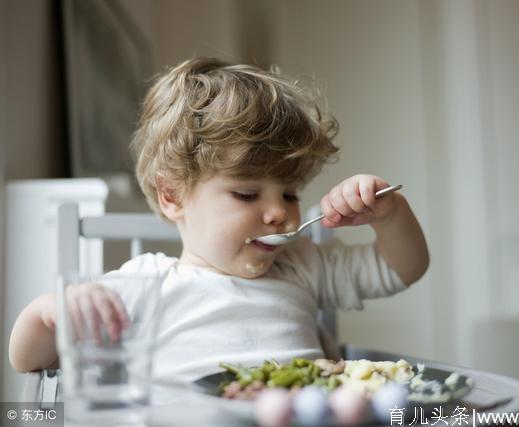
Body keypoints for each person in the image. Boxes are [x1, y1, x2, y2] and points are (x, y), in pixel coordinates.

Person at [9, 57, 429, 383]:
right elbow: (29, 359)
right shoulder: (145, 286)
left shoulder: (302, 265)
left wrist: (389, 215)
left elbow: (403, 269)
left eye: (289, 193)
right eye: (246, 194)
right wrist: (49, 311)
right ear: (172, 196)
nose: (279, 212)